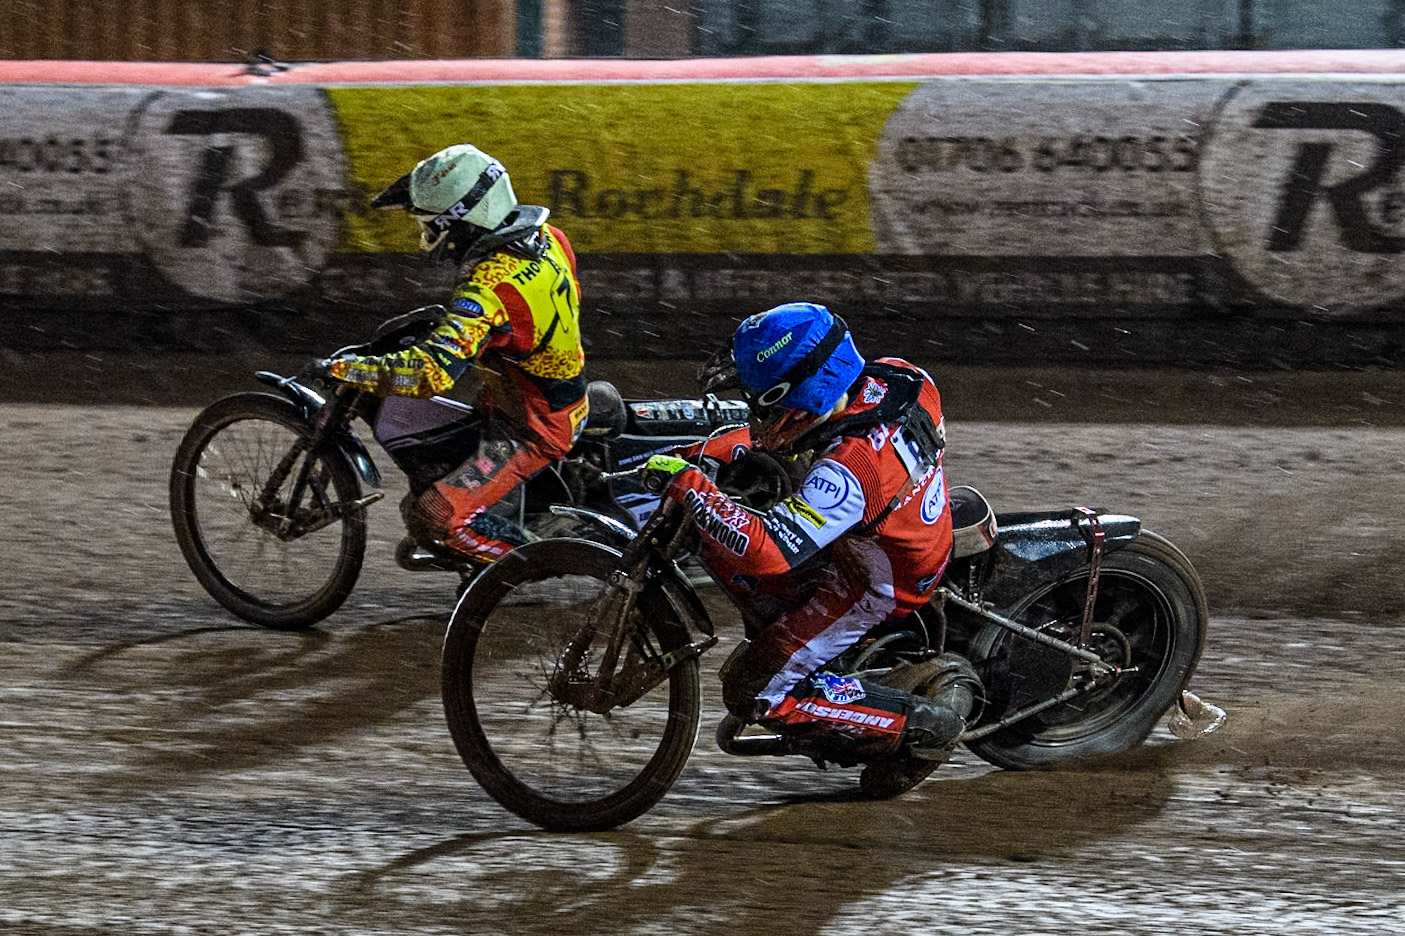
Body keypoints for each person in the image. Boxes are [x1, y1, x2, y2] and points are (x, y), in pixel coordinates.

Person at [642, 302, 980, 789]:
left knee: (754, 690)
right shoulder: (900, 376)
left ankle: (920, 726)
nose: (756, 414)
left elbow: (766, 553)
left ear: (799, 399)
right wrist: (701, 456)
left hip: (875, 586)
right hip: (903, 526)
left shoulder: (844, 476)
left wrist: (694, 487)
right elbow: (798, 434)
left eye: (761, 403)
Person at [324, 143, 589, 567]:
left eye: (431, 227)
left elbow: (431, 374)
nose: (428, 239)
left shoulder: (489, 287)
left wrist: (349, 370)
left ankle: (546, 565)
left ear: (464, 221)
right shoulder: (550, 238)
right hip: (538, 399)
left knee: (435, 516)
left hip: (532, 428)